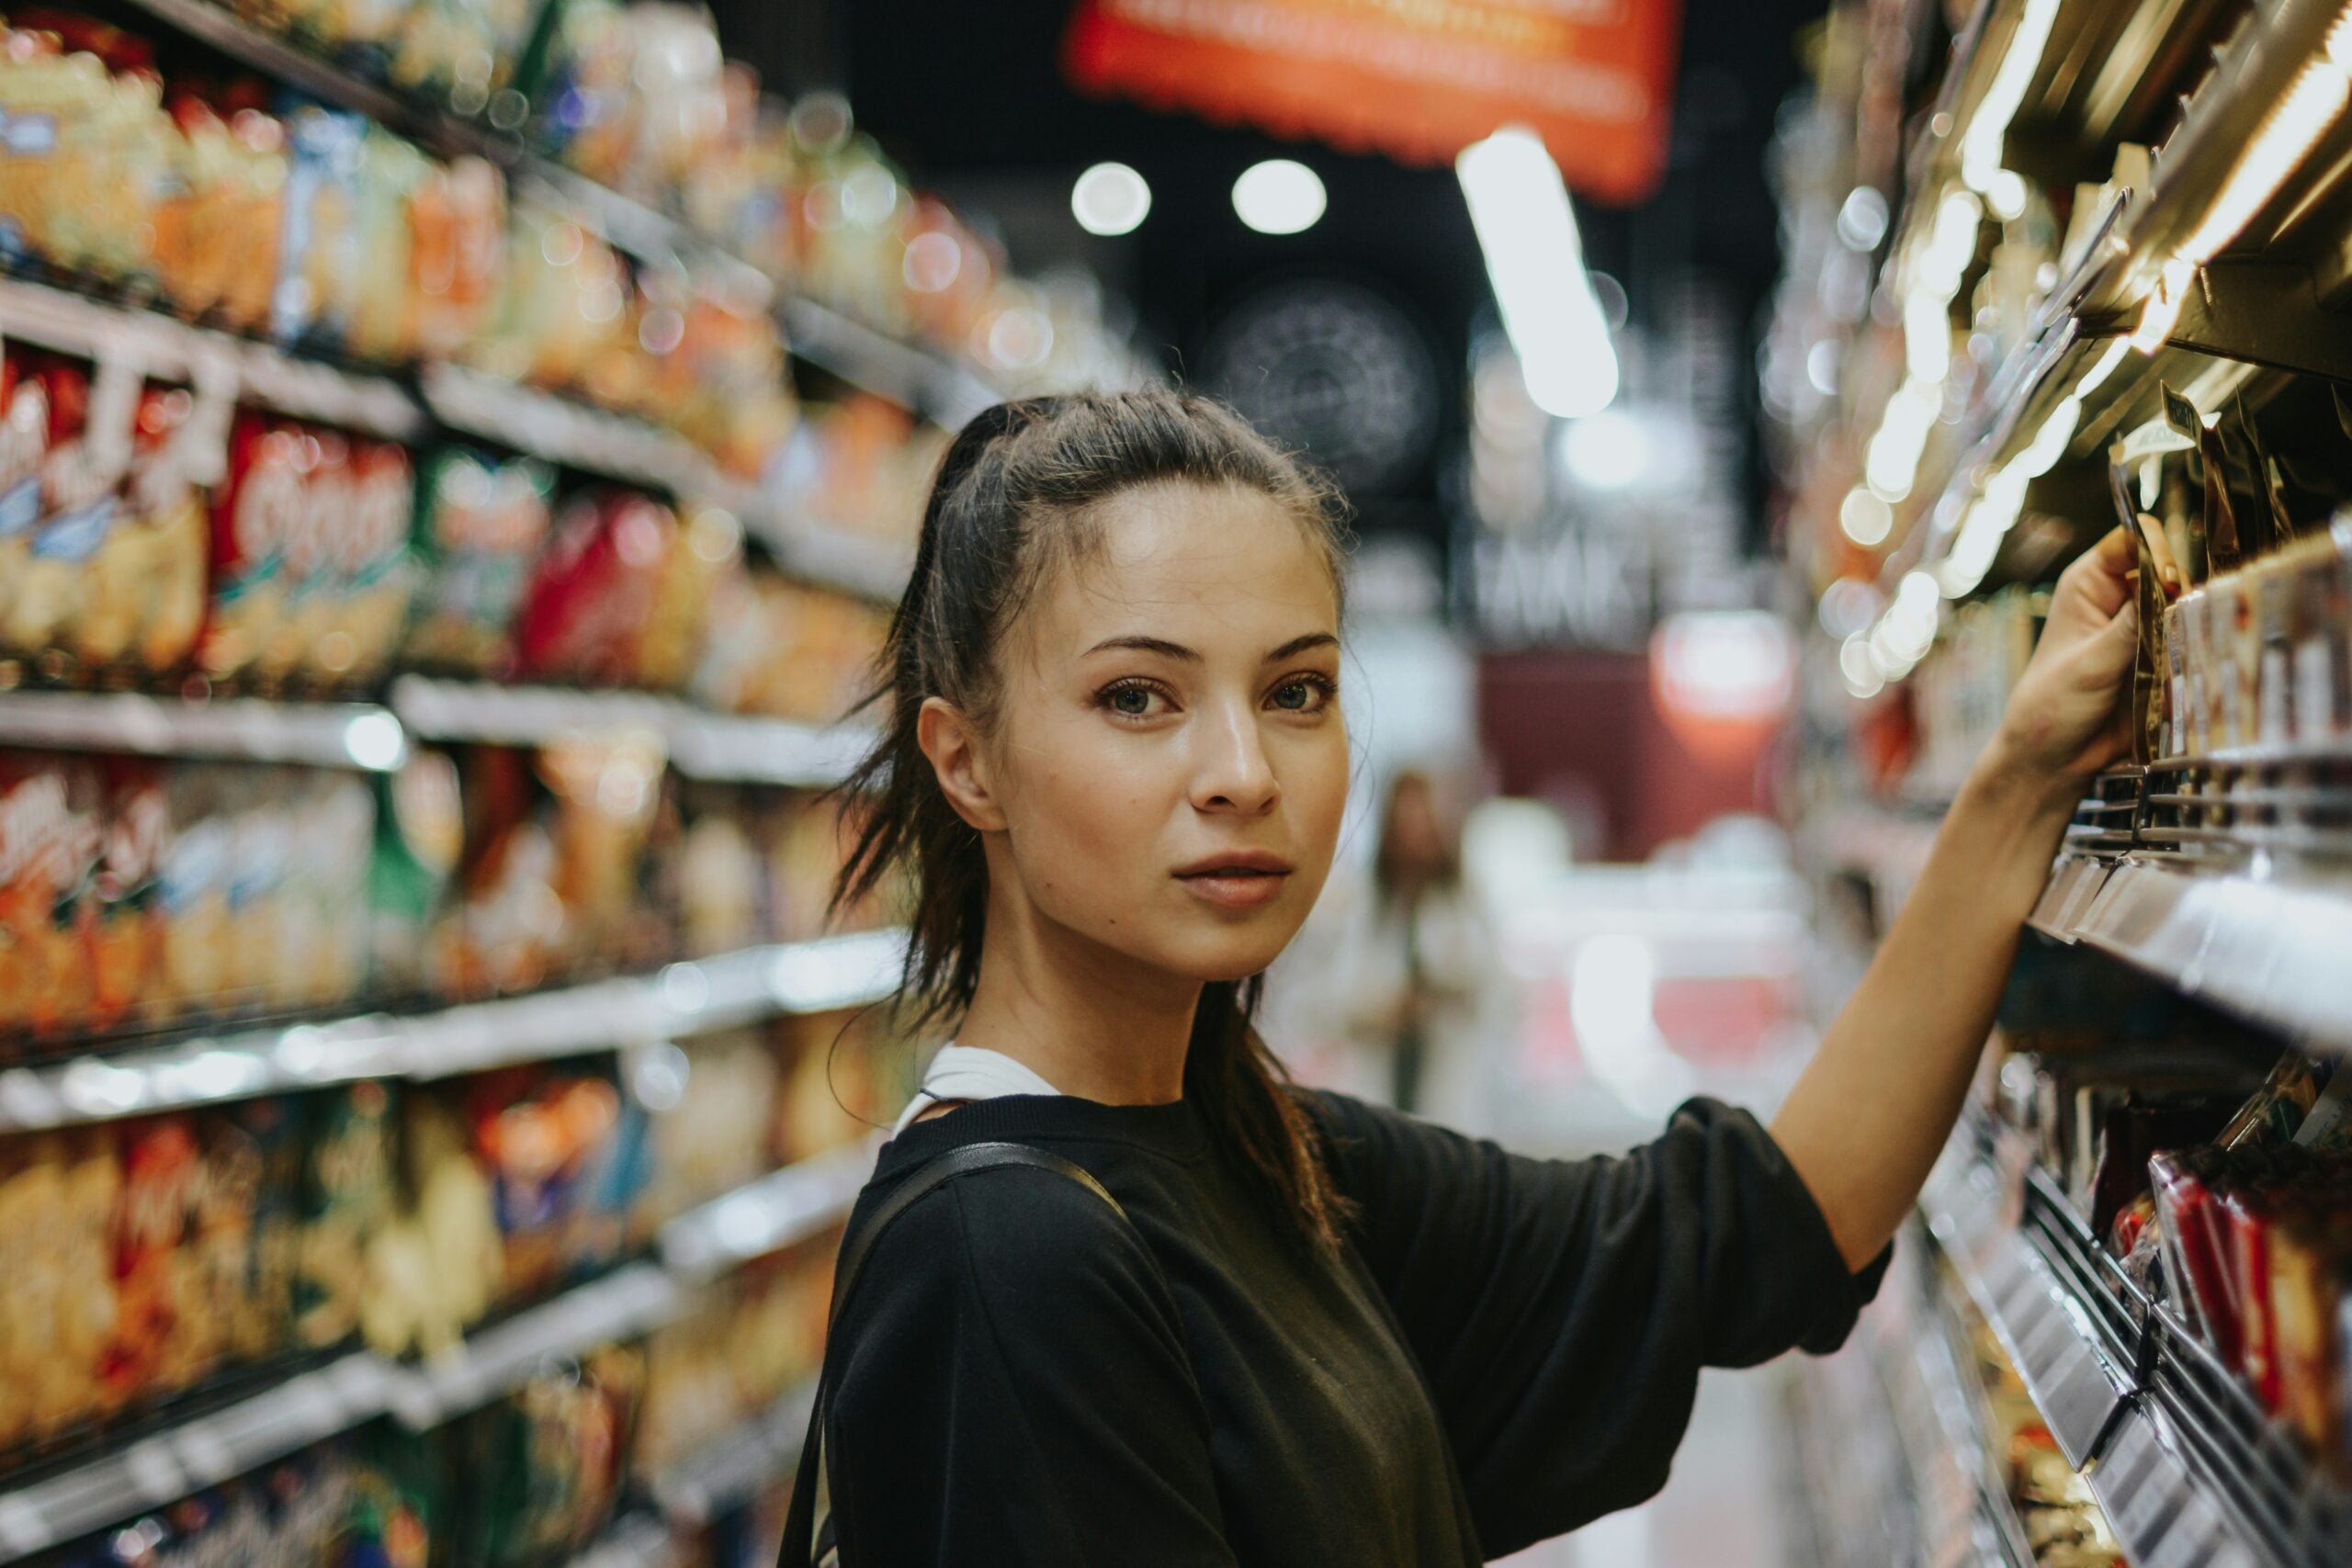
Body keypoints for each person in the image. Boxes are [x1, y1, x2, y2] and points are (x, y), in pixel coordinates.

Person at [808, 390, 2137, 1565]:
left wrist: (2022, 778)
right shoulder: (1005, 1260)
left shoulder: (1265, 1156)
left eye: (1298, 692)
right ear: (964, 758)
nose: (1244, 773)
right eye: (1139, 699)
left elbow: (1757, 1229)